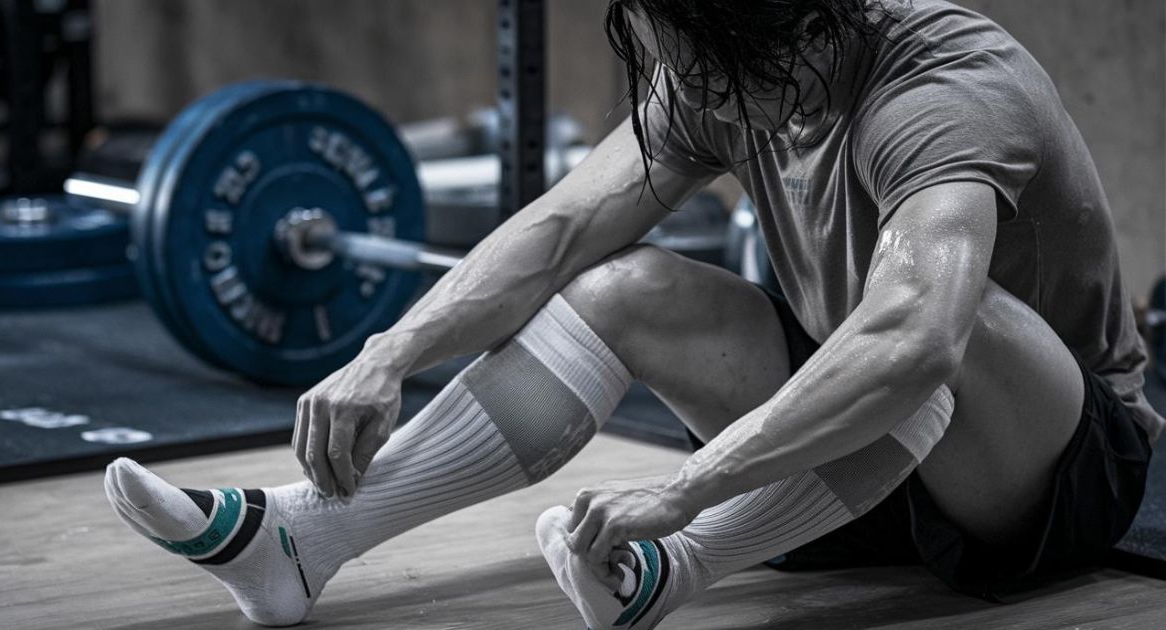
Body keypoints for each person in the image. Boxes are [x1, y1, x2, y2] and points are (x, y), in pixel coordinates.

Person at [103, 0, 1158, 627]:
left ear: (777, 36)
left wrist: (688, 490)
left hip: (1046, 473)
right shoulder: (730, 77)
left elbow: (915, 338)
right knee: (623, 288)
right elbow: (564, 228)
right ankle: (301, 540)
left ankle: (669, 568)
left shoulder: (942, 93)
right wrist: (392, 350)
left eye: (688, 64)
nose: (671, 86)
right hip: (871, 457)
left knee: (934, 322)